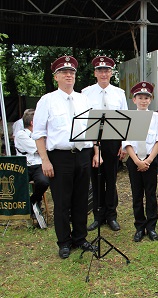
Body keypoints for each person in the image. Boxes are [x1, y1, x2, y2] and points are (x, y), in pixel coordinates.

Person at [32, 55, 100, 259]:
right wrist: (45, 160)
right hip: (59, 157)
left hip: (83, 154)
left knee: (81, 199)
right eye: (64, 72)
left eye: (72, 72)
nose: (69, 75)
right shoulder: (47, 100)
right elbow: (39, 133)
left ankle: (80, 237)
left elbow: (93, 128)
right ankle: (64, 242)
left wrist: (96, 152)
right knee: (62, 201)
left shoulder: (83, 99)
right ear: (56, 77)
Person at [82, 56, 128, 232]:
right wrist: (94, 147)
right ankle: (97, 216)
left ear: (111, 73)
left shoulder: (119, 93)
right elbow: (85, 120)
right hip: (93, 142)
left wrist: (123, 144)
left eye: (107, 70)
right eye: (100, 70)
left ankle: (111, 215)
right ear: (95, 73)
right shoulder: (86, 93)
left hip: (113, 141)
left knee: (111, 178)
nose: (103, 73)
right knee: (96, 179)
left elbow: (125, 121)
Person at [123, 82, 158, 242]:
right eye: (140, 97)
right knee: (137, 195)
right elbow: (127, 143)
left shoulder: (155, 117)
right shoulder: (129, 117)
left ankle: (151, 227)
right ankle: (139, 227)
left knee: (151, 194)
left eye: (146, 98)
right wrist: (137, 161)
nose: (143, 100)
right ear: (134, 100)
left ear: (150, 100)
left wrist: (148, 160)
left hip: (150, 160)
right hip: (134, 161)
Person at [14, 109, 50, 217]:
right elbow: (39, 149)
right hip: (24, 166)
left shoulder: (41, 134)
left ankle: (32, 202)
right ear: (32, 123)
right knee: (20, 184)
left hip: (38, 165)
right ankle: (28, 206)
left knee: (43, 182)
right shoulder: (21, 134)